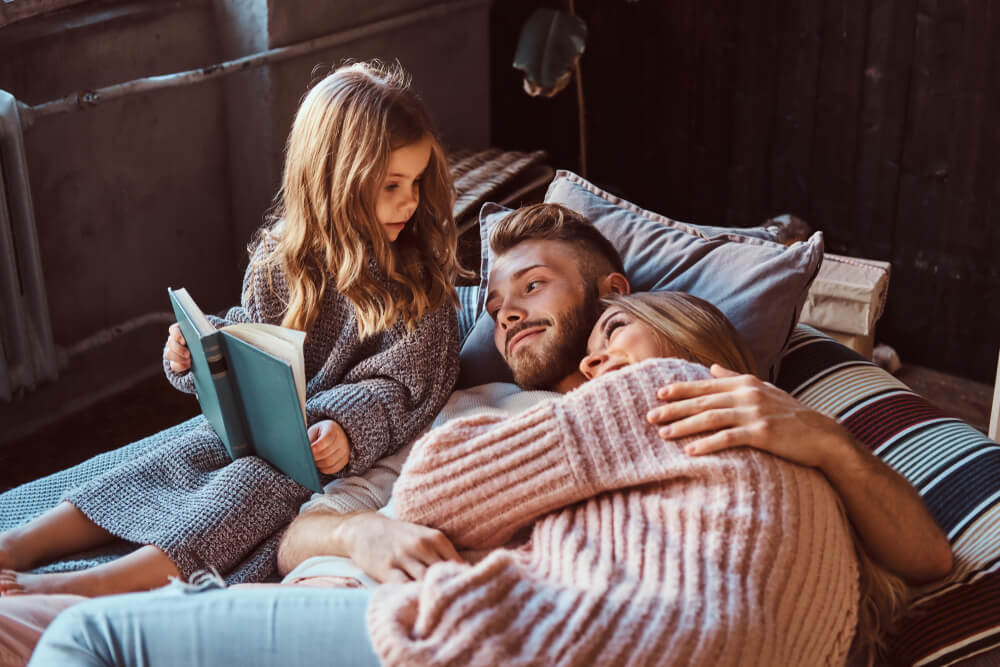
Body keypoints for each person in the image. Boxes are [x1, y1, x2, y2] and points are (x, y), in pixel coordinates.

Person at [25, 203, 950, 666]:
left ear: (620, 304)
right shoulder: (458, 396)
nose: (504, 322)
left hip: (482, 631)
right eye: (495, 307)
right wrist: (361, 529)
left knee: (90, 641)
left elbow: (933, 555)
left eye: (534, 289)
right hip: (358, 578)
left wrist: (825, 438)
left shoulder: (701, 398)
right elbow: (305, 518)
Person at [0, 60, 464, 599]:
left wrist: (346, 427)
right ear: (333, 181)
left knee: (245, 492)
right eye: (391, 185)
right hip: (259, 429)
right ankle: (15, 544)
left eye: (416, 182)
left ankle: (86, 586)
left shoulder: (418, 286)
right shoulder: (281, 262)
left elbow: (407, 387)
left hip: (310, 455)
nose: (409, 201)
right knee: (166, 460)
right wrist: (200, 352)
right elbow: (253, 334)